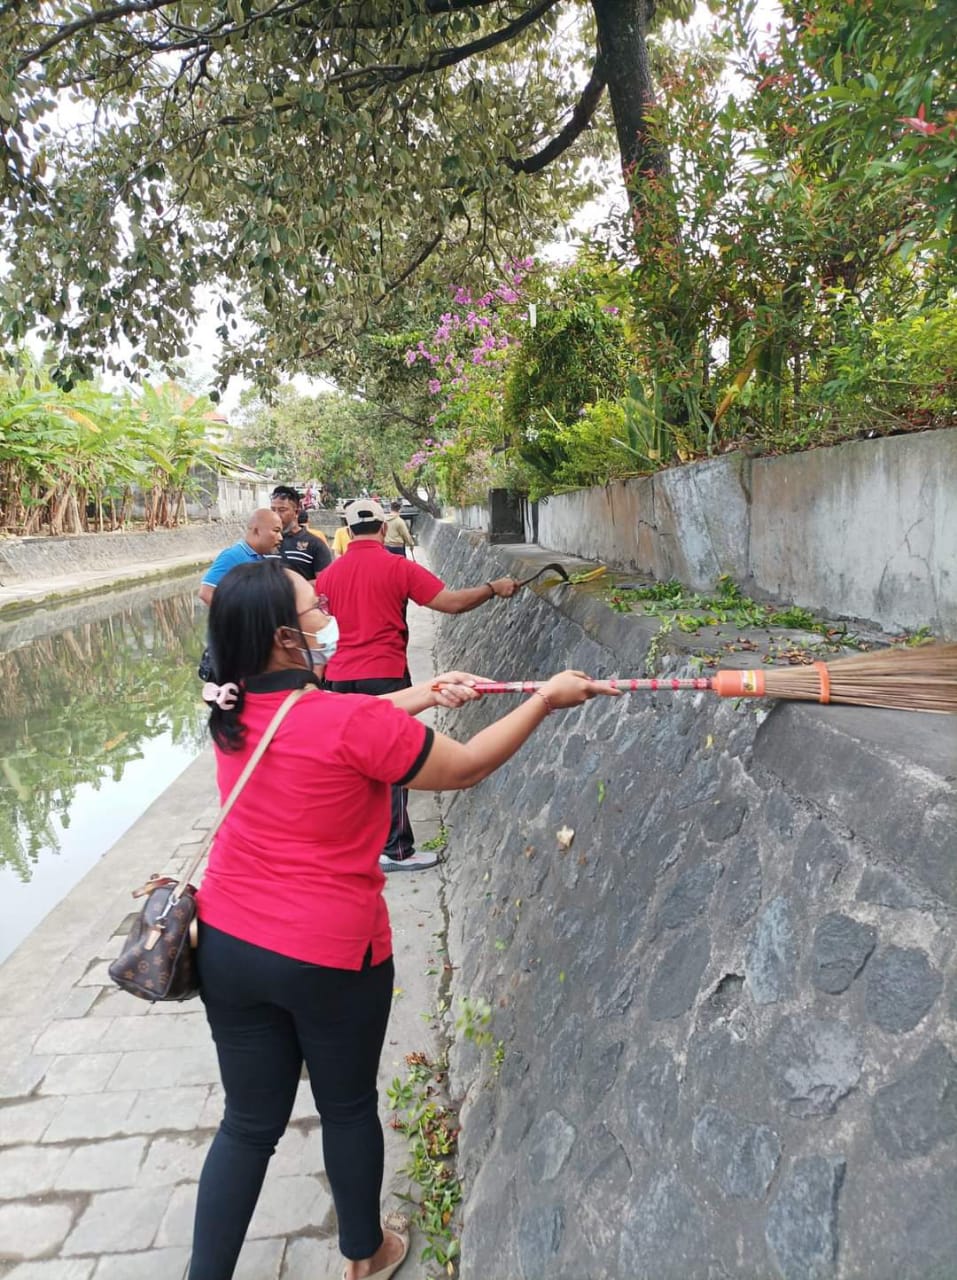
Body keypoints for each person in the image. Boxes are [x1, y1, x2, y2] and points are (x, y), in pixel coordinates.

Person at [189, 558, 617, 1280]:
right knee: (348, 1105)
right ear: (286, 640)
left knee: (247, 1123)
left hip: (228, 946)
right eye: (314, 608)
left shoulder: (232, 714)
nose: (327, 616)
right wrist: (545, 698)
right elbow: (466, 765)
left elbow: (323, 730)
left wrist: (421, 694)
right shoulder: (345, 720)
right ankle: (366, 1253)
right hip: (327, 952)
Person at [315, 498, 521, 872]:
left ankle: (356, 846)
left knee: (350, 766)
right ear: (382, 528)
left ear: (347, 531)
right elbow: (451, 604)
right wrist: (493, 587)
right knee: (389, 761)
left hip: (338, 678)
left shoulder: (327, 576)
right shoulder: (397, 566)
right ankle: (396, 851)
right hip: (385, 676)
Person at [198, 508, 283, 607]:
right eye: (276, 531)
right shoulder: (232, 556)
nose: (280, 537)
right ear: (257, 531)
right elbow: (206, 592)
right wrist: (238, 619)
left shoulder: (263, 559)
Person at [269, 484, 332, 580]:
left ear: (296, 512)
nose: (276, 515)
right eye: (273, 510)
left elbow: (325, 583)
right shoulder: (264, 542)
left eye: (282, 510)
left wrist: (293, 587)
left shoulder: (315, 544)